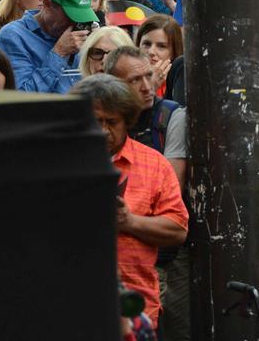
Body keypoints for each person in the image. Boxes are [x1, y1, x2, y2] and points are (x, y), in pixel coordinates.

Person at [80, 73, 187, 328]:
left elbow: (178, 228)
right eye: (95, 122)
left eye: (111, 122)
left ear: (127, 121)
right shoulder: (62, 163)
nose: (103, 131)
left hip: (137, 306)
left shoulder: (154, 164)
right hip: (74, 305)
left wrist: (130, 222)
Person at [0, 0, 95, 93]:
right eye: (70, 15)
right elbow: (21, 97)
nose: (75, 23)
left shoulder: (84, 32)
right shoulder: (14, 35)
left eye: (82, 17)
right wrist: (59, 53)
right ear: (47, 4)